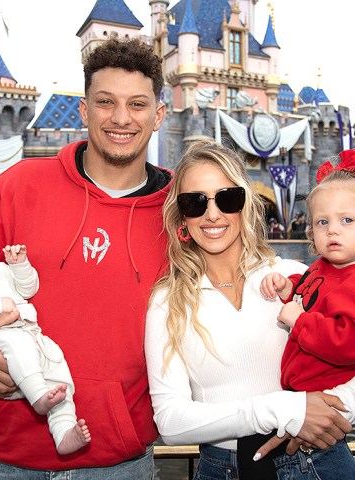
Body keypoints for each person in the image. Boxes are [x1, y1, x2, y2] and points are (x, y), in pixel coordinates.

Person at [0, 36, 172, 479]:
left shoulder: (186, 208)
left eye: (137, 104)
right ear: (84, 110)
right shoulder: (18, 186)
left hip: (118, 460)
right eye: (105, 102)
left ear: (158, 115)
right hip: (8, 456)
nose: (121, 118)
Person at [145, 140, 354, 480]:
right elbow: (171, 422)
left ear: (245, 203)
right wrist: (284, 409)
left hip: (314, 458)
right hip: (222, 468)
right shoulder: (169, 301)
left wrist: (331, 411)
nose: (212, 214)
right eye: (195, 202)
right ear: (181, 215)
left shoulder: (294, 277)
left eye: (227, 197)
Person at [260, 149, 355, 479]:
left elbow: (348, 343)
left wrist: (300, 321)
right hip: (299, 408)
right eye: (323, 222)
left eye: (347, 220)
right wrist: (288, 287)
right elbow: (309, 292)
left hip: (322, 430)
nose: (333, 231)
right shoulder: (322, 268)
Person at [0, 231, 91, 455]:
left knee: (57, 370)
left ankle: (64, 431)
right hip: (3, 335)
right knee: (21, 350)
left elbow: (28, 289)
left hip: (32, 332)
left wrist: (19, 265)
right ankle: (38, 397)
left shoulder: (2, 269)